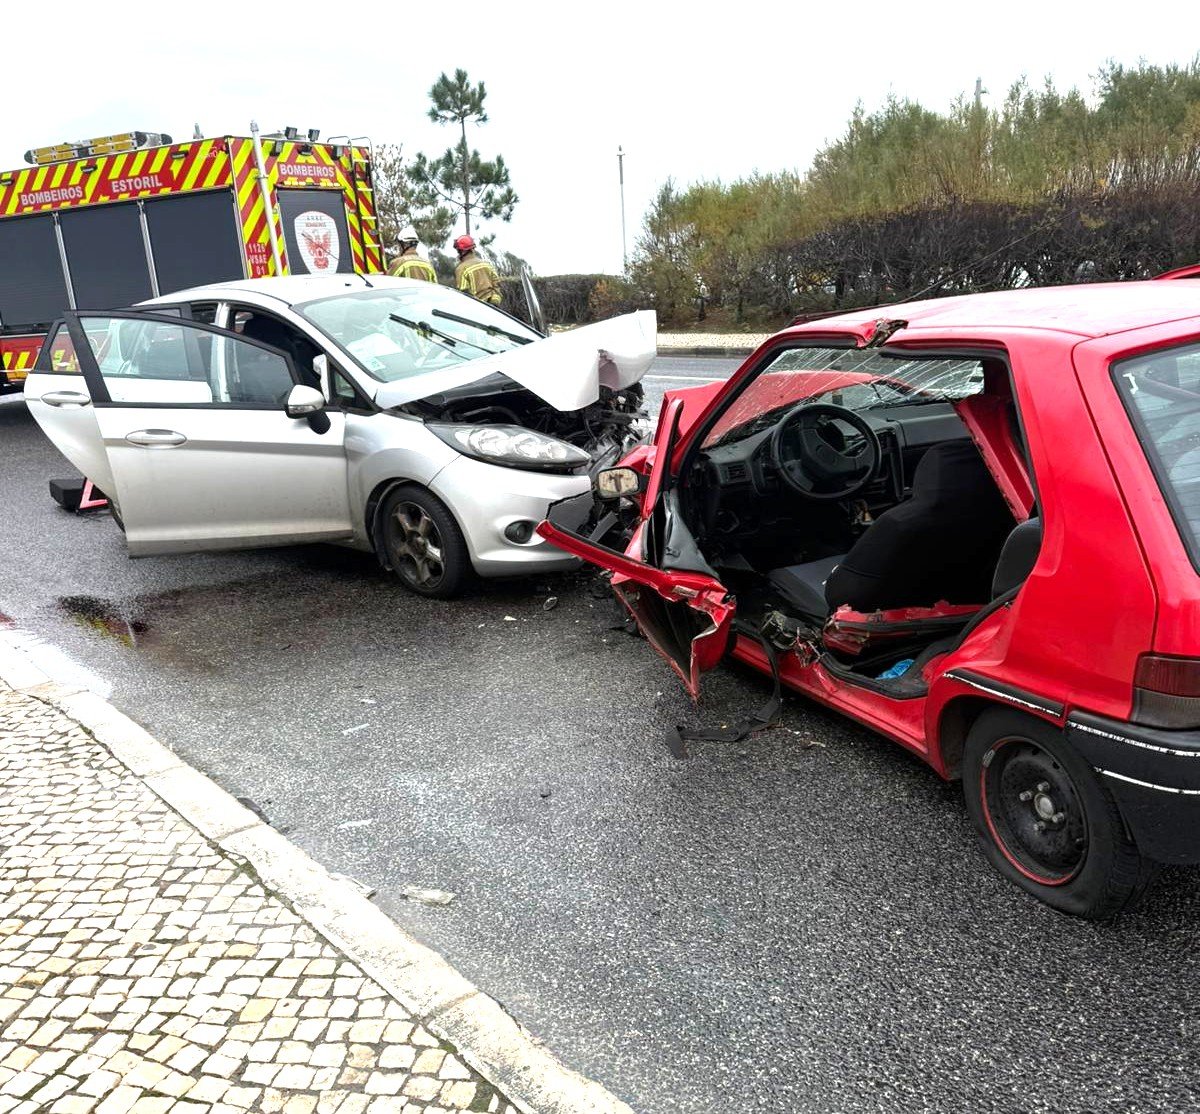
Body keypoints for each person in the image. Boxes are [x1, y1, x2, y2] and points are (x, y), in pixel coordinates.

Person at [453, 235, 503, 305]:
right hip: (493, 306)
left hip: (476, 308)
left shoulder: (461, 269)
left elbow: (464, 292)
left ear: (462, 251)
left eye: (458, 250)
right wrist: (494, 302)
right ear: (472, 249)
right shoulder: (486, 264)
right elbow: (497, 283)